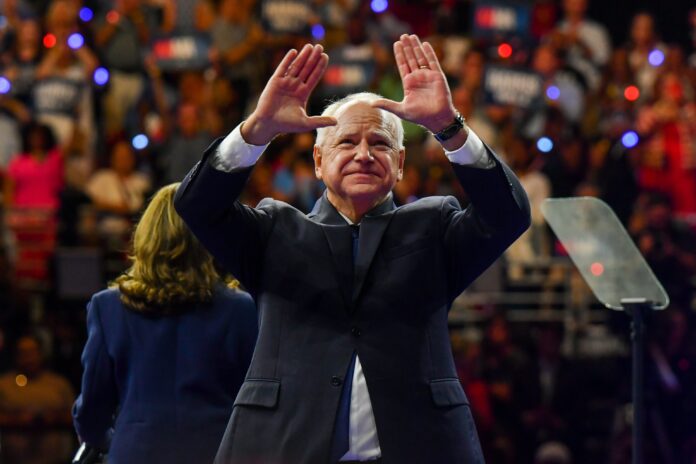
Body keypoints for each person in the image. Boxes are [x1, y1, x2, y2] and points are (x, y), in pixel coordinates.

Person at [175, 35, 530, 463]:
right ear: (318, 162)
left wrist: (448, 127)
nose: (364, 155)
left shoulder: (435, 227)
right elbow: (197, 205)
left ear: (400, 165)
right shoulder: (274, 230)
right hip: (283, 448)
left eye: (379, 144)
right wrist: (257, 132)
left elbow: (508, 215)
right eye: (346, 143)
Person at [72, 183, 258, 464]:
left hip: (135, 453)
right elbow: (256, 403)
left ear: (146, 235)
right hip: (215, 452)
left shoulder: (108, 307)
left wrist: (112, 438)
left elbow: (93, 410)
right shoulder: (240, 308)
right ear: (204, 234)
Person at [0, 334, 75, 464]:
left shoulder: (59, 384)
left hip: (56, 459)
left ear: (41, 353)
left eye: (32, 352)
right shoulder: (3, 384)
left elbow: (75, 415)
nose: (28, 358)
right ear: (15, 355)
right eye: (23, 352)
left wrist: (53, 418)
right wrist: (17, 419)